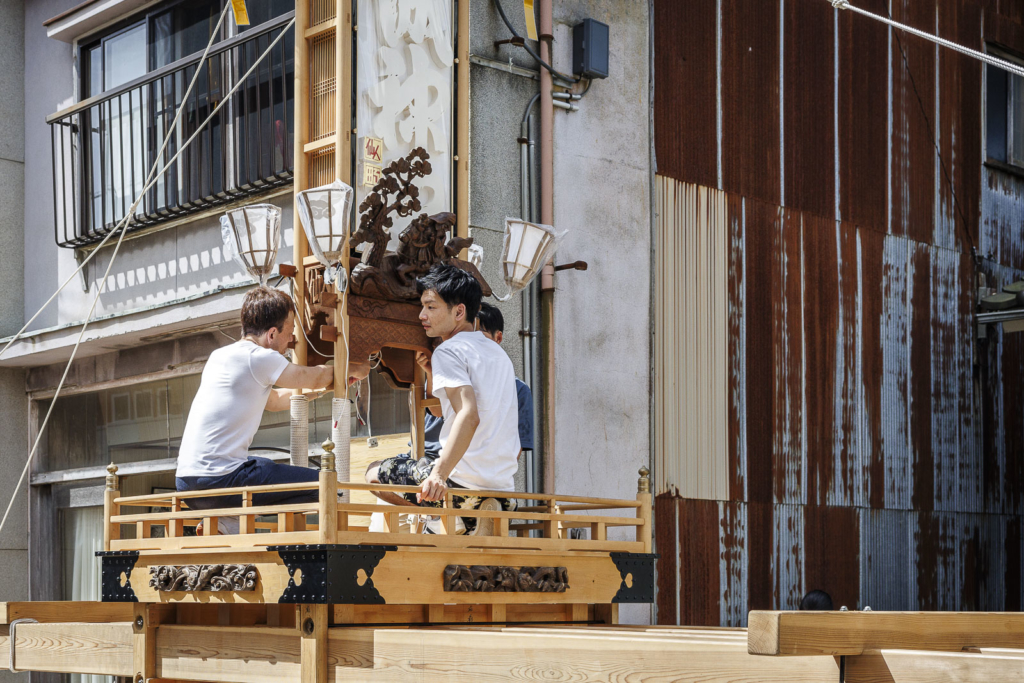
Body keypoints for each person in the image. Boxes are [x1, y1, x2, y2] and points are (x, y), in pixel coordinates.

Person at [365, 263, 520, 535]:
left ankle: (442, 520)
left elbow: (469, 415)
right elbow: (447, 411)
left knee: (374, 472)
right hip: (503, 489)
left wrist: (439, 474)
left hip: (459, 486)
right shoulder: (499, 355)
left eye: (431, 306)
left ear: (459, 311)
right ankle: (462, 521)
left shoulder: (449, 350)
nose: (422, 315)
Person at [174, 286, 338, 534]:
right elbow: (311, 376)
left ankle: (225, 525)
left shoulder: (219, 356)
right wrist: (347, 369)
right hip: (222, 480)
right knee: (326, 485)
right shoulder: (259, 357)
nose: (291, 340)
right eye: (289, 332)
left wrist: (320, 391)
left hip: (187, 483)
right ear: (272, 334)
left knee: (261, 465)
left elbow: (272, 401)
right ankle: (229, 524)